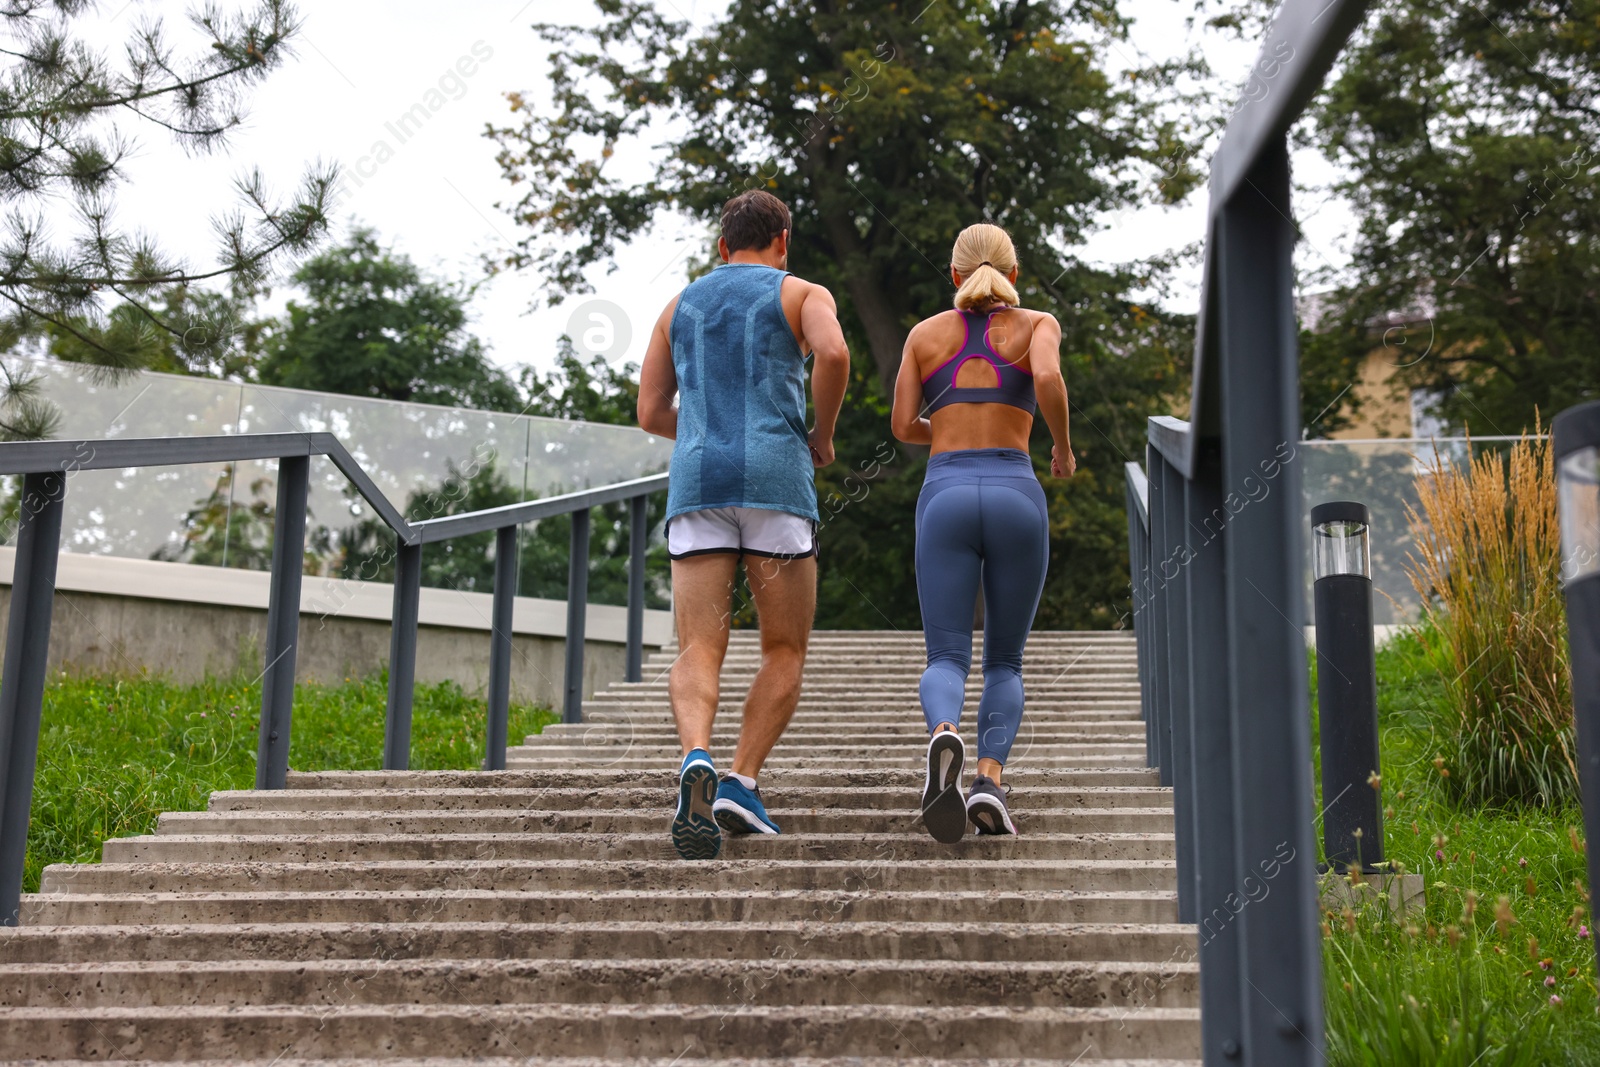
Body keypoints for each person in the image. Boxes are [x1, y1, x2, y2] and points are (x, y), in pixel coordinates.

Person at [637, 190, 850, 860]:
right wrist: (821, 433)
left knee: (699, 647)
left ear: (723, 246)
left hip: (698, 483)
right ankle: (742, 780)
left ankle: (695, 756)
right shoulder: (801, 292)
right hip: (776, 481)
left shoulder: (679, 306)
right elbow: (836, 355)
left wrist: (703, 429)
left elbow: (649, 411)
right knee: (782, 648)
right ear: (782, 238)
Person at [889, 222, 1075, 842]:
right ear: (1014, 275)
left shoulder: (923, 334)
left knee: (946, 655)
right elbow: (1046, 381)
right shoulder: (1037, 325)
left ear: (954, 276)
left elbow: (901, 425)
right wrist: (1063, 450)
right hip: (1015, 489)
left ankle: (944, 734)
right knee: (1005, 661)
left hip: (944, 493)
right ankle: (989, 783)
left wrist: (945, 435)